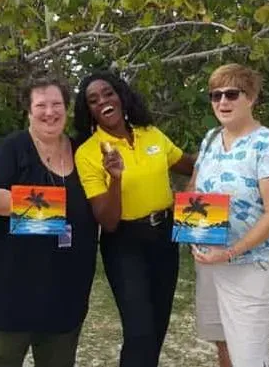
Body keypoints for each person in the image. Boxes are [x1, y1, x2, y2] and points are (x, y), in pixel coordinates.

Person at [0, 76, 98, 367]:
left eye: (56, 104)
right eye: (41, 105)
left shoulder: (84, 151)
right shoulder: (11, 148)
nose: (49, 112)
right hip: (8, 293)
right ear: (28, 111)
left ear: (67, 108)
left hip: (66, 293)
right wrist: (44, 208)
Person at [74, 71, 195, 367]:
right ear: (88, 111)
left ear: (121, 96)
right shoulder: (89, 153)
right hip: (125, 243)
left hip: (165, 237)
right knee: (139, 331)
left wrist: (222, 146)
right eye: (93, 100)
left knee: (157, 328)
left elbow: (189, 165)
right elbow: (108, 221)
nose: (103, 100)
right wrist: (115, 178)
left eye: (108, 93)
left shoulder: (151, 133)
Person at [188, 64, 269, 367]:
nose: (223, 102)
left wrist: (231, 252)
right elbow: (195, 188)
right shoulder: (210, 138)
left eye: (232, 94)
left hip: (249, 265)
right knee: (223, 344)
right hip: (210, 261)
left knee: (248, 356)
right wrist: (193, 230)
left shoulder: (268, 144)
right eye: (215, 95)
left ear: (251, 98)